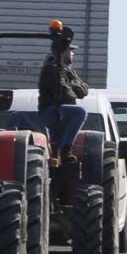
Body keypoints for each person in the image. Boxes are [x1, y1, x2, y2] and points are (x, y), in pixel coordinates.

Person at [37, 27, 89, 166]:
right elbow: (66, 94)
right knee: (79, 112)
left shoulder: (69, 71)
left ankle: (60, 149)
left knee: (73, 112)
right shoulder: (52, 68)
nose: (73, 54)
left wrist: (73, 84)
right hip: (50, 110)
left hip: (62, 109)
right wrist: (74, 86)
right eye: (71, 51)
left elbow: (84, 91)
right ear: (64, 51)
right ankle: (65, 149)